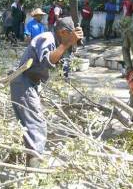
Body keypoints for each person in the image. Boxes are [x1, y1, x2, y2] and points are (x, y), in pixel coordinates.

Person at [10, 17, 83, 166]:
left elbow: (60, 62)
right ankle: (34, 167)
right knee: (37, 124)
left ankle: (19, 156)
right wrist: (67, 43)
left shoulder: (57, 41)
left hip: (30, 83)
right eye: (70, 35)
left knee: (28, 124)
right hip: (23, 82)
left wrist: (71, 43)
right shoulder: (47, 38)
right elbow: (47, 61)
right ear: (63, 32)